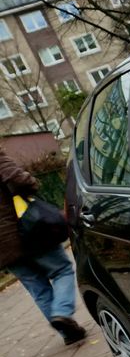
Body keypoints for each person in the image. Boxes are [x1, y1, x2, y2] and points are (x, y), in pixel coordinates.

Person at [0, 147, 86, 344]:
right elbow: (17, 180)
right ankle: (62, 312)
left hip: (3, 249)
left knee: (37, 288)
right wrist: (31, 182)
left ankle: (68, 332)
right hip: (26, 230)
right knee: (62, 270)